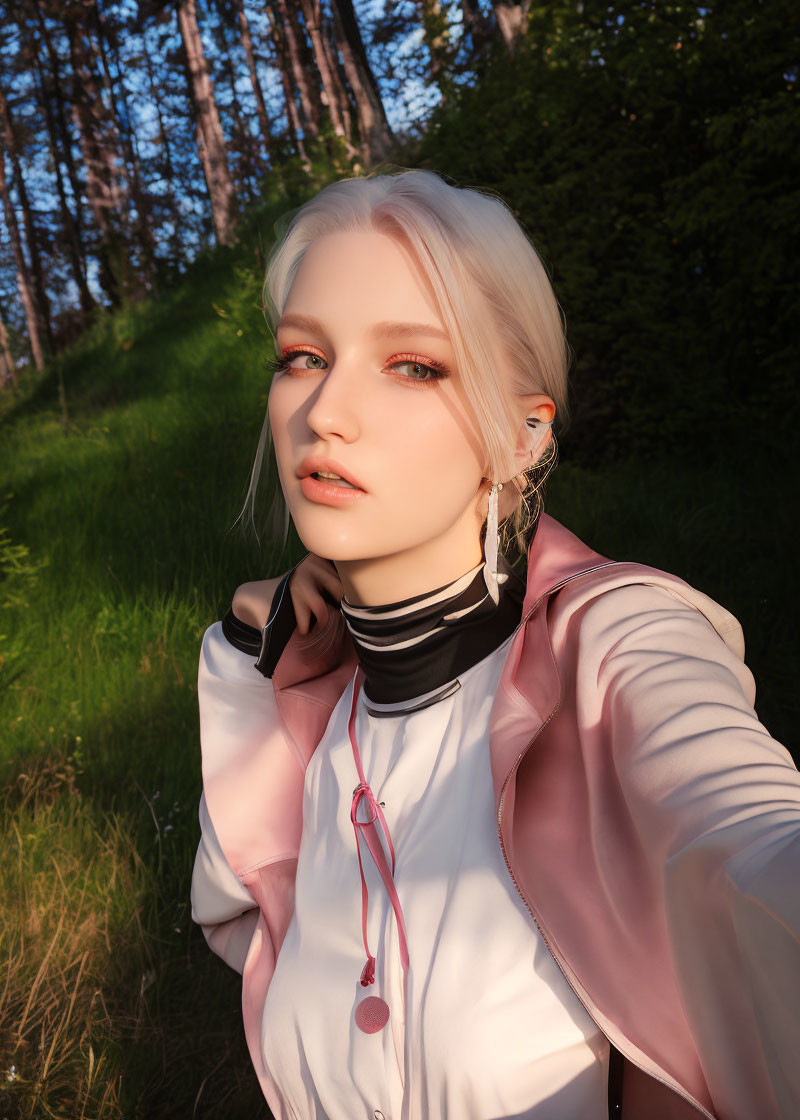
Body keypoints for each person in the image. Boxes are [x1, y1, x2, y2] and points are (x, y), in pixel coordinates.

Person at [189, 168, 800, 1120]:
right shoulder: (309, 703)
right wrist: (250, 626)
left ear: (522, 435)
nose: (324, 414)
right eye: (304, 356)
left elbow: (748, 830)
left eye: (415, 366)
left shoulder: (613, 645)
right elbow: (239, 891)